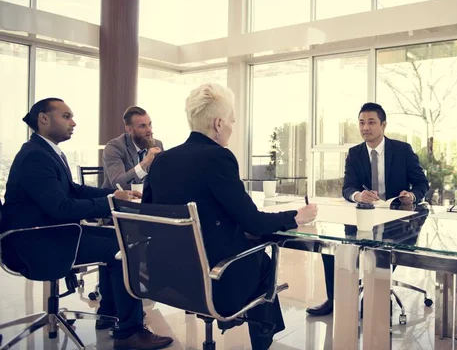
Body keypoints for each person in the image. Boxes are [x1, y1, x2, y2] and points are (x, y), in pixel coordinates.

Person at [143, 83, 318, 350]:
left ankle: (260, 332)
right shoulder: (218, 157)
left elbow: (149, 217)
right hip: (212, 280)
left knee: (252, 255)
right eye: (232, 122)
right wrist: (297, 216)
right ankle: (263, 338)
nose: (233, 128)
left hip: (167, 278)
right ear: (218, 123)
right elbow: (254, 223)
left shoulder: (162, 160)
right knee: (263, 262)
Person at [1, 98, 173, 350]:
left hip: (48, 233)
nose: (74, 123)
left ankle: (114, 315)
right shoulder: (35, 156)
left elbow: (74, 190)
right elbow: (60, 207)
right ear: (44, 118)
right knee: (125, 248)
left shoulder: (44, 151)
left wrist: (112, 197)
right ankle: (129, 332)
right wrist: (109, 203)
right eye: (67, 116)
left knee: (121, 239)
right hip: (35, 242)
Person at [307, 102, 429, 316]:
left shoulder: (402, 150)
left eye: (371, 122)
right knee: (331, 245)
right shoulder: (355, 153)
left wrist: (412, 196)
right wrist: (358, 195)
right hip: (363, 215)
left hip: (396, 218)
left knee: (382, 252)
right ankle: (334, 299)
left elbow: (422, 184)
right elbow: (348, 188)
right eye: (362, 123)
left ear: (383, 125)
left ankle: (374, 296)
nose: (365, 127)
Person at [102, 106, 163, 190]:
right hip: (119, 200)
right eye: (142, 126)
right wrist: (145, 162)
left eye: (150, 124)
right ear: (129, 129)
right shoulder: (114, 147)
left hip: (145, 200)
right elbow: (119, 185)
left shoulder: (157, 144)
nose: (149, 130)